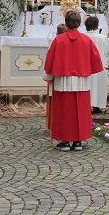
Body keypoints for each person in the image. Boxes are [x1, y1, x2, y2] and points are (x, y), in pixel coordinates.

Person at [43, 11, 103, 151]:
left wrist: (49, 76)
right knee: (80, 112)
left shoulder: (58, 40)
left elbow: (50, 61)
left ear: (66, 22)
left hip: (63, 80)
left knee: (64, 111)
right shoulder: (86, 40)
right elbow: (95, 59)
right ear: (80, 23)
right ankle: (77, 141)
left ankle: (64, 141)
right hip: (81, 81)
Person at [85, 15, 109, 114]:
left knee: (88, 85)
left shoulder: (84, 37)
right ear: (97, 25)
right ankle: (97, 106)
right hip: (100, 65)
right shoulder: (102, 38)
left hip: (86, 66)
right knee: (99, 86)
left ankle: (86, 105)